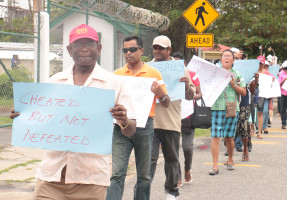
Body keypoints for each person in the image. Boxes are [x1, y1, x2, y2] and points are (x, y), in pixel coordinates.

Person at [10, 24, 137, 200]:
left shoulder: (114, 83)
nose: (84, 48)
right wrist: (22, 117)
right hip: (51, 175)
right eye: (78, 44)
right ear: (70, 50)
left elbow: (131, 130)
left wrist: (123, 120)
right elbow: (40, 119)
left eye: (90, 43)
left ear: (98, 48)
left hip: (90, 179)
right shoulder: (54, 82)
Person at [106, 35, 170, 200]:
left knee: (144, 175)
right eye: (125, 50)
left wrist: (162, 95)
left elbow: (166, 103)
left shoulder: (154, 74)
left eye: (132, 49)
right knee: (117, 173)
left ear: (141, 51)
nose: (128, 53)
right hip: (121, 127)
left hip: (144, 127)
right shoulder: (117, 75)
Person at [150, 35, 195, 200]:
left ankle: (171, 191)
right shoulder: (147, 68)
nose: (157, 51)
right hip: (151, 120)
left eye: (161, 48)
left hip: (171, 120)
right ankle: (143, 191)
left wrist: (185, 86)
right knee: (149, 160)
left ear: (169, 50)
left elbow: (191, 96)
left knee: (171, 159)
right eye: (155, 47)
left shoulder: (181, 69)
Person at [209, 49, 246, 175]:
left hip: (231, 107)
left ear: (233, 59)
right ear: (220, 59)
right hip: (216, 107)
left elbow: (244, 92)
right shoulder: (214, 73)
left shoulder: (237, 74)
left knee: (229, 137)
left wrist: (233, 85)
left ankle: (230, 159)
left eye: (229, 56)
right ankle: (215, 166)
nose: (226, 58)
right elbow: (206, 86)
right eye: (224, 56)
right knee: (215, 137)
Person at [173, 52, 202, 187]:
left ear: (184, 64)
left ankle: (187, 169)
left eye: (179, 63)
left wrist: (188, 95)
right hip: (172, 115)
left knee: (187, 148)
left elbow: (199, 94)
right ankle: (177, 176)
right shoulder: (168, 76)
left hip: (188, 115)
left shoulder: (192, 75)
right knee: (173, 148)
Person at [249, 56, 274, 139]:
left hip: (262, 93)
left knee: (260, 112)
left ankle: (259, 132)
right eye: (259, 63)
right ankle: (252, 129)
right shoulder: (252, 71)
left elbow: (272, 78)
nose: (260, 65)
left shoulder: (265, 72)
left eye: (261, 64)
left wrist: (271, 79)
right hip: (252, 92)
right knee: (251, 111)